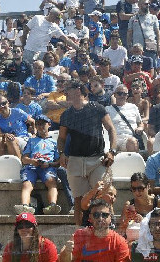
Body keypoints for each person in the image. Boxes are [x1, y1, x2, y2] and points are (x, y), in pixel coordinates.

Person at [58, 80, 117, 225]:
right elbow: (61, 138)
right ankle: (79, 234)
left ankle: (111, 229)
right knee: (78, 201)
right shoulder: (66, 115)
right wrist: (61, 153)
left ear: (78, 90)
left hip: (97, 160)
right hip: (75, 161)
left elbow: (111, 129)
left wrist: (112, 151)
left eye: (68, 89)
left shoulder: (97, 108)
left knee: (104, 196)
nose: (65, 93)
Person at [16, 114, 62, 215]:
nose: (40, 127)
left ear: (49, 124)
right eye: (38, 124)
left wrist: (49, 164)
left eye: (43, 124)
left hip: (47, 167)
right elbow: (24, 158)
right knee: (26, 184)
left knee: (51, 181)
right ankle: (25, 206)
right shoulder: (31, 141)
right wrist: (33, 161)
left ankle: (52, 205)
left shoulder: (54, 142)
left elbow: (58, 161)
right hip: (32, 166)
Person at [59, 199, 130, 262]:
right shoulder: (80, 235)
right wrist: (67, 253)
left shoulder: (119, 242)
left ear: (110, 218)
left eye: (105, 215)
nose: (100, 218)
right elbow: (63, 260)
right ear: (90, 218)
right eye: (96, 215)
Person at [119, 173, 160, 237]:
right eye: (134, 189)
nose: (137, 192)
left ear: (148, 186)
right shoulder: (129, 205)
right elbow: (121, 230)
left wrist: (143, 221)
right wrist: (126, 220)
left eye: (140, 188)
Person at [0, 93, 34, 158]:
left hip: (23, 139)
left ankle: (19, 165)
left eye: (3, 103)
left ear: (8, 103)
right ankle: (0, 164)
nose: (1, 106)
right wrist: (5, 135)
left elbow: (32, 121)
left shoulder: (18, 112)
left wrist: (35, 134)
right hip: (9, 141)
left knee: (10, 140)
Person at [106, 85, 143, 152]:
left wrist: (140, 127)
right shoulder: (108, 109)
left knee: (132, 142)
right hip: (113, 138)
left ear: (127, 96)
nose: (122, 96)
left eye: (124, 94)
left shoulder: (133, 107)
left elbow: (140, 123)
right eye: (119, 93)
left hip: (129, 138)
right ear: (115, 95)